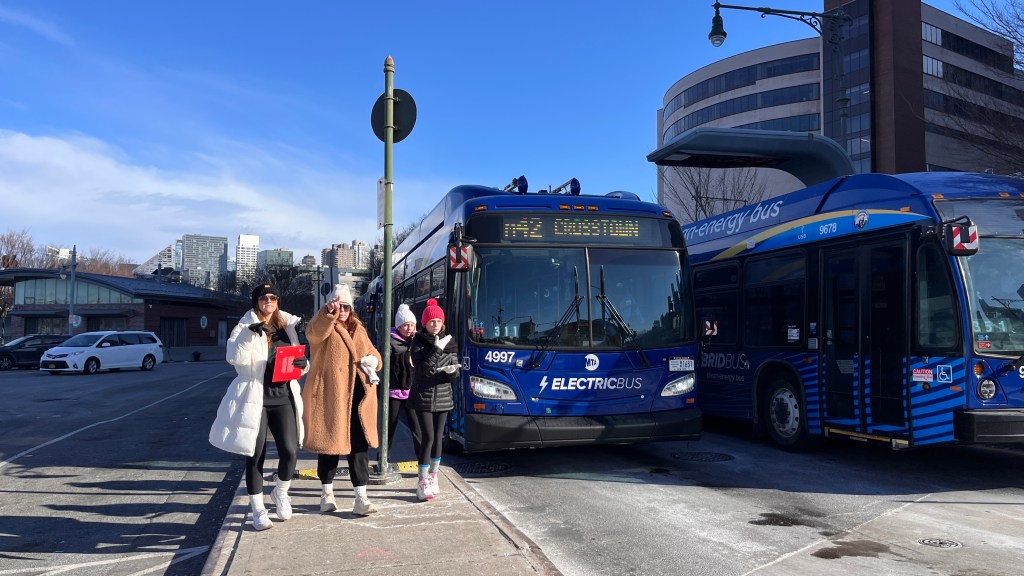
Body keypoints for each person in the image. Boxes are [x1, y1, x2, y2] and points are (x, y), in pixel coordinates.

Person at [210, 284, 308, 531]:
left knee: (290, 450)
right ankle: (258, 509)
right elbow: (234, 358)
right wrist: (249, 335)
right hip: (256, 397)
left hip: (284, 395)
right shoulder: (244, 327)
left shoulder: (287, 326)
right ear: (256, 301)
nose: (269, 301)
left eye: (273, 297)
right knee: (255, 456)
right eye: (264, 298)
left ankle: (280, 493)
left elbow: (298, 365)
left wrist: (303, 363)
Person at [302, 283, 383, 516]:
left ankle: (361, 497)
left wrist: (373, 361)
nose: (343, 310)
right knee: (329, 446)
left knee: (358, 448)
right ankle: (326, 494)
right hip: (332, 395)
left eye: (346, 306)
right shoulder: (324, 325)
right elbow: (314, 333)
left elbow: (375, 354)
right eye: (339, 306)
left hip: (358, 397)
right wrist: (329, 312)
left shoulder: (358, 328)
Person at [409, 298, 460, 501]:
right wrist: (437, 349)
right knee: (427, 438)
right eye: (431, 322)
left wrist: (451, 370)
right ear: (425, 323)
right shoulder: (418, 343)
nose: (435, 325)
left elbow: (454, 371)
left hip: (444, 396)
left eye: (438, 321)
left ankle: (433, 476)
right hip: (423, 396)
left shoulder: (450, 341)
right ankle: (422, 481)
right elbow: (423, 370)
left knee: (438, 437)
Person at [386, 303, 420, 468]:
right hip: (394, 391)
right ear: (399, 326)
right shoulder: (390, 341)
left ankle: (422, 461)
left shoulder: (416, 341)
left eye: (412, 325)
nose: (409, 328)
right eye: (406, 325)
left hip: (411, 391)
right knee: (389, 427)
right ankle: (384, 457)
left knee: (417, 427)